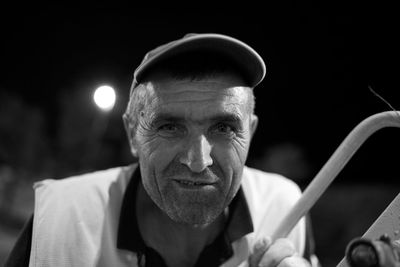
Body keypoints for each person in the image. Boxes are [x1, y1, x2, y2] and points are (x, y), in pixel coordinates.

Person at [5, 33, 318, 267]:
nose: (198, 161)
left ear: (249, 133)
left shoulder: (286, 207)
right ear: (132, 134)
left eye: (223, 128)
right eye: (170, 127)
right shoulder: (61, 217)